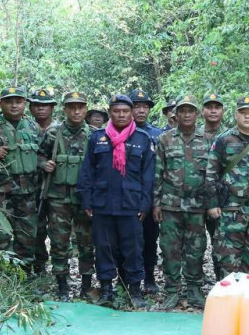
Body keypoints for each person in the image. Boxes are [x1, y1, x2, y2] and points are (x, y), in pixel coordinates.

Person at [77, 94, 155, 308]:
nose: (121, 115)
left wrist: (145, 204)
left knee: (133, 249)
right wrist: (87, 201)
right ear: (110, 113)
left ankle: (134, 291)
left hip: (131, 205)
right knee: (104, 248)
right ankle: (106, 289)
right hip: (102, 204)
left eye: (125, 111)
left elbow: (148, 176)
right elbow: (87, 172)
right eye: (117, 111)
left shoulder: (142, 139)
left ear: (131, 114)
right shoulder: (97, 137)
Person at [153, 96, 211, 309]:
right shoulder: (165, 139)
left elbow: (212, 175)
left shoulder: (207, 140)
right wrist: (156, 203)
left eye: (190, 111)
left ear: (197, 114)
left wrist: (210, 203)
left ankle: (194, 289)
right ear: (175, 114)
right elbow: (158, 172)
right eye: (182, 111)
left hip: (197, 205)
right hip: (170, 204)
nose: (186, 115)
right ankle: (172, 291)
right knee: (170, 248)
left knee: (196, 248)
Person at [205, 96, 249, 276]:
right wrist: (212, 203)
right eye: (243, 113)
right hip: (230, 211)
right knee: (228, 262)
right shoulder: (223, 140)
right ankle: (228, 292)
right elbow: (211, 173)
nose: (247, 116)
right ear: (236, 115)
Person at [0, 87, 43, 271]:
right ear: (0, 103)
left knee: (28, 235)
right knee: (0, 236)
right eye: (9, 101)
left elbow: (41, 154)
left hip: (28, 192)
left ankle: (25, 275)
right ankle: (3, 276)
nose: (14, 105)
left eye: (18, 101)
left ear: (25, 104)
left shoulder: (33, 127)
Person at [38, 92, 94, 301]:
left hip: (84, 199)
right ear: (65, 109)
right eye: (72, 107)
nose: (76, 111)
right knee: (59, 242)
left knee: (87, 242)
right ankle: (62, 286)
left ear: (86, 109)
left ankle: (86, 285)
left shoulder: (94, 134)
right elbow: (39, 155)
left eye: (80, 107)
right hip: (58, 198)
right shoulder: (53, 133)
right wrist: (44, 164)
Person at [128, 88, 162, 294]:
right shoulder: (119, 132)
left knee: (150, 238)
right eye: (136, 106)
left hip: (150, 195)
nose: (141, 110)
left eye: (145, 107)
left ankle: (149, 278)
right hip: (128, 196)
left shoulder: (158, 135)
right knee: (127, 240)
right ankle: (127, 280)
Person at [29, 87, 57, 273]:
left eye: (45, 105)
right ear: (30, 107)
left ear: (52, 108)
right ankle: (39, 267)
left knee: (58, 229)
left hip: (56, 188)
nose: (41, 108)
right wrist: (41, 163)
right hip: (30, 188)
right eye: (37, 105)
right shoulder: (24, 128)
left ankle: (60, 269)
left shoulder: (60, 129)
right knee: (36, 228)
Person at [201, 92, 226, 280]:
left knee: (221, 242)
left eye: (217, 107)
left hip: (220, 199)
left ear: (223, 111)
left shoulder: (230, 136)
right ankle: (194, 284)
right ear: (202, 111)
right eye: (209, 107)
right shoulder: (193, 134)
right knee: (194, 245)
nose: (213, 111)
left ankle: (221, 280)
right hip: (193, 199)